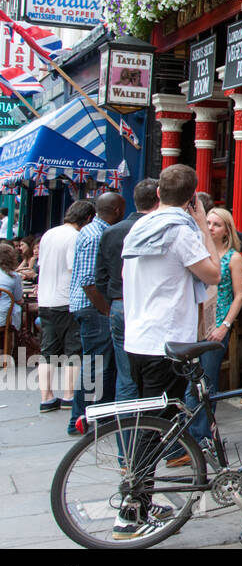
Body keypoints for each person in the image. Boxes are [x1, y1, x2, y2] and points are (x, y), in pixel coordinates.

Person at [118, 165, 221, 540]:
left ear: (158, 194)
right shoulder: (179, 231)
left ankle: (141, 499)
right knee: (156, 428)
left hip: (138, 337)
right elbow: (213, 274)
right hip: (167, 342)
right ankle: (131, 513)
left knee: (149, 422)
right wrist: (200, 227)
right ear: (192, 197)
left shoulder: (140, 228)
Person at [178, 206, 242, 448]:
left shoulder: (234, 257)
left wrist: (225, 326)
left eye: (216, 224)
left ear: (227, 230)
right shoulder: (200, 254)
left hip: (216, 328)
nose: (210, 227)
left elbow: (239, 296)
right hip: (193, 326)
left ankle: (202, 436)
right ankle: (191, 437)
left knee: (206, 382)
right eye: (207, 222)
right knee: (190, 384)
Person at [95, 179, 158, 402]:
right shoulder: (156, 229)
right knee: (154, 377)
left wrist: (111, 303)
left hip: (119, 304)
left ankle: (126, 435)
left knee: (126, 376)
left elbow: (99, 277)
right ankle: (151, 432)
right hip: (149, 305)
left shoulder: (111, 232)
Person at [69, 192, 126, 429]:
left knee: (100, 366)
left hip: (89, 308)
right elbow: (88, 281)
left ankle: (101, 416)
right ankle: (78, 419)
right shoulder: (98, 235)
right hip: (93, 309)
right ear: (116, 211)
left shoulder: (91, 231)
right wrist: (106, 310)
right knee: (95, 366)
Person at [37, 200, 96, 417]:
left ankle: (46, 397)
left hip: (46, 299)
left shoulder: (48, 234)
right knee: (73, 351)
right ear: (88, 219)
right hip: (66, 300)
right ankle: (68, 396)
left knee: (48, 351)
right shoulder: (75, 237)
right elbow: (74, 269)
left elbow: (41, 265)